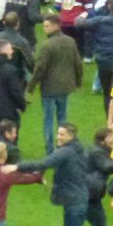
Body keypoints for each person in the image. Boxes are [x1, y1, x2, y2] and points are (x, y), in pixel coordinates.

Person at [29, 14, 83, 155]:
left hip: (49, 88)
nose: (44, 29)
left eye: (46, 26)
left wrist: (31, 87)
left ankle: (49, 152)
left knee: (48, 120)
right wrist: (78, 81)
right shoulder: (70, 41)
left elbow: (40, 68)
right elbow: (77, 63)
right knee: (62, 119)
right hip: (65, 87)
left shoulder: (47, 45)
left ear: (55, 26)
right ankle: (63, 149)